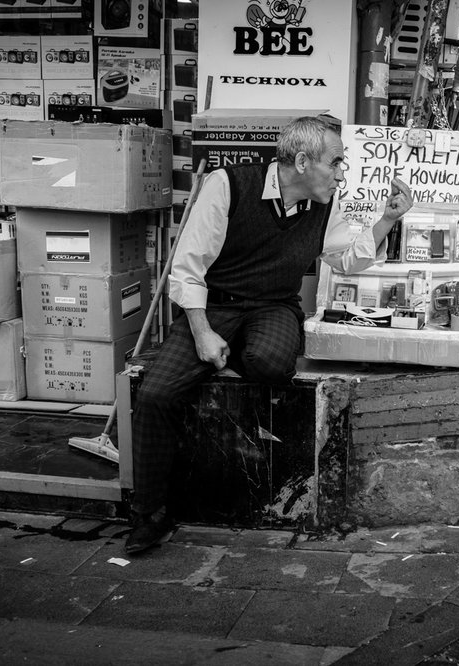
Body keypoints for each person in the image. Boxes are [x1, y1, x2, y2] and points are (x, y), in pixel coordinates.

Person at [125, 117, 414, 555]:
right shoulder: (228, 185)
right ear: (303, 161)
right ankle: (150, 513)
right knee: (155, 394)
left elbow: (346, 258)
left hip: (274, 305)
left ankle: (237, 351)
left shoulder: (325, 204)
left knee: (272, 363)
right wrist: (201, 333)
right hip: (214, 306)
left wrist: (387, 219)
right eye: (336, 163)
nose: (341, 174)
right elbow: (187, 268)